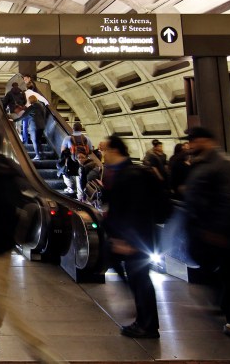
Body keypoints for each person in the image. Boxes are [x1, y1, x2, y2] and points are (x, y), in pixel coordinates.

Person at [0, 131, 59, 362]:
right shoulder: (12, 168)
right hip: (10, 239)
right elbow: (26, 198)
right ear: (1, 145)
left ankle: (36, 345)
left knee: (2, 294)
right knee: (2, 289)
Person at [183, 127, 230, 338]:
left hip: (228, 232)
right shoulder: (203, 163)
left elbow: (229, 199)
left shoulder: (224, 163)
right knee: (221, 273)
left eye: (194, 140)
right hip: (207, 230)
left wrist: (220, 230)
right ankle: (226, 306)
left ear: (206, 140)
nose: (190, 144)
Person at [101, 134, 161, 338]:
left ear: (115, 150)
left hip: (135, 240)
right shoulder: (119, 173)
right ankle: (142, 317)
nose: (103, 154)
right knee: (134, 277)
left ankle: (147, 325)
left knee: (140, 280)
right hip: (129, 238)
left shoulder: (131, 175)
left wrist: (128, 241)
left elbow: (136, 211)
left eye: (105, 150)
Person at [12, 95, 46, 160]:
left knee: (34, 141)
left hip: (35, 126)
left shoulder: (32, 106)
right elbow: (43, 115)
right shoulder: (41, 106)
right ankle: (42, 155)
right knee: (38, 141)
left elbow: (24, 116)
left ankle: (37, 155)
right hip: (42, 125)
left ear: (30, 100)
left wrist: (14, 120)